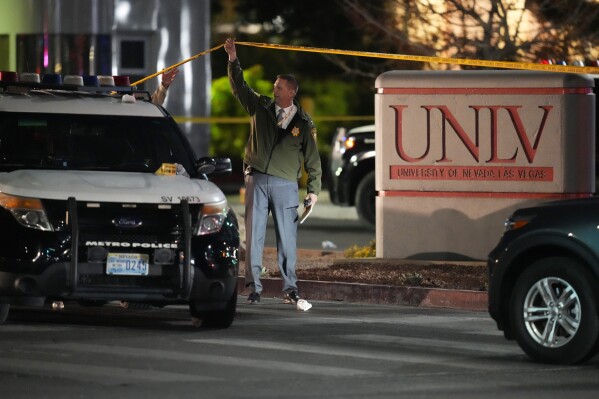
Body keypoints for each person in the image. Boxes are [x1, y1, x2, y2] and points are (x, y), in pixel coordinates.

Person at [224, 38, 322, 310]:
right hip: (257, 179)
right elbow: (239, 88)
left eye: (279, 87)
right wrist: (233, 59)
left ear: (291, 92)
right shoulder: (260, 107)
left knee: (287, 241)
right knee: (254, 238)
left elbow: (313, 160)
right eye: (275, 86)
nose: (274, 90)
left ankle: (290, 289)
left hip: (286, 185)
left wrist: (313, 191)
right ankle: (253, 288)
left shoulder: (303, 124)